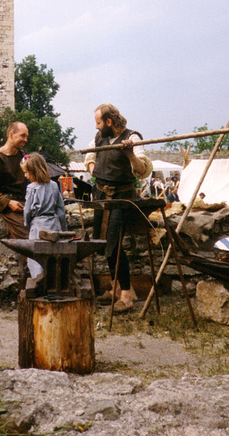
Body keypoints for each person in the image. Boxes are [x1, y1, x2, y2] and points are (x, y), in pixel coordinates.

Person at [85, 103, 153, 313]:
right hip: (101, 196)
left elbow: (143, 171)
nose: (96, 127)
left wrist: (130, 154)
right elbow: (89, 155)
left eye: (98, 122)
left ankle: (126, 296)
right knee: (102, 241)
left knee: (114, 243)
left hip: (122, 198)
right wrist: (94, 169)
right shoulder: (99, 138)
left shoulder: (133, 138)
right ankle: (115, 288)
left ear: (109, 122)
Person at [21, 153, 67, 278]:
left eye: (26, 172)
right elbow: (61, 210)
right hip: (53, 225)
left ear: (33, 171)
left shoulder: (31, 188)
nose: (25, 175)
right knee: (53, 254)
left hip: (37, 227)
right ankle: (53, 280)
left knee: (36, 257)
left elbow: (27, 211)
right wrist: (64, 229)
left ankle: (39, 279)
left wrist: (27, 223)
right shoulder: (53, 185)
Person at [0, 121, 29, 239]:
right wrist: (8, 203)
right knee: (28, 238)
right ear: (11, 135)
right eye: (22, 136)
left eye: (26, 136)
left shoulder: (22, 157)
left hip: (26, 202)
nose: (25, 140)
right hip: (10, 207)